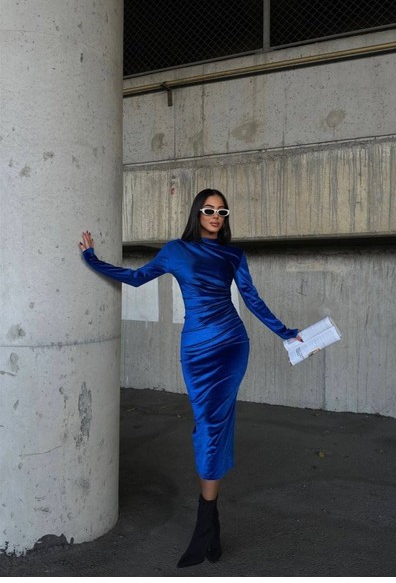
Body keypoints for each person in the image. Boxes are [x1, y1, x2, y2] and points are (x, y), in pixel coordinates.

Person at [79, 188, 302, 568]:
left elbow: (252, 299)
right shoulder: (176, 251)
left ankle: (205, 523)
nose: (216, 216)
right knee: (205, 426)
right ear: (197, 213)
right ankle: (211, 525)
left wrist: (287, 333)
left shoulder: (234, 255)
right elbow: (136, 278)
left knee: (214, 425)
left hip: (231, 345)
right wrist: (91, 258)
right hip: (196, 351)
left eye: (222, 211)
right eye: (209, 210)